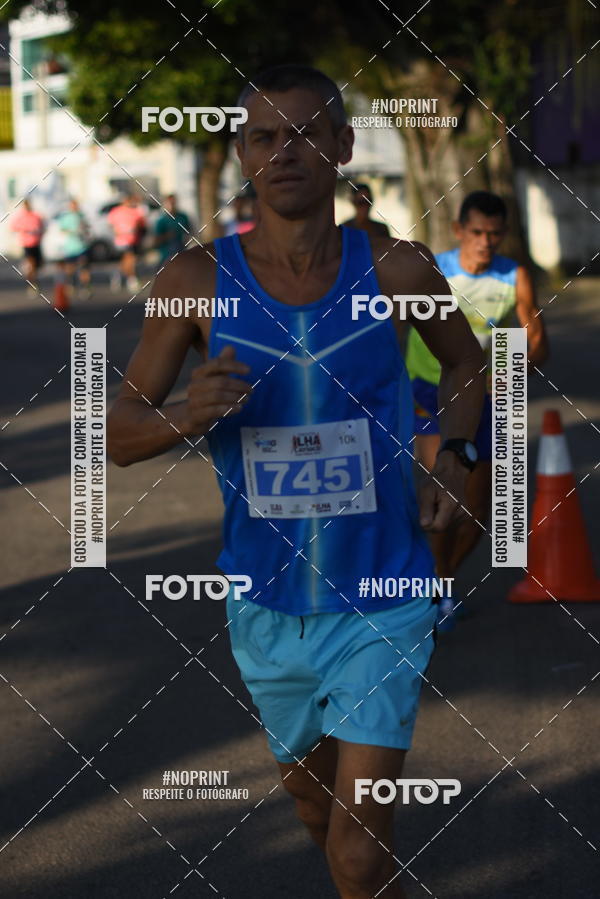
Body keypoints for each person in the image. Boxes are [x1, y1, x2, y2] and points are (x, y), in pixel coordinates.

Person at [107, 65, 485, 899]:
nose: (286, 151)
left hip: (384, 588)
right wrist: (184, 414)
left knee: (357, 846)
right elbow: (119, 433)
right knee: (316, 810)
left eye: (307, 133)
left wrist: (457, 456)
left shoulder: (397, 270)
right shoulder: (194, 284)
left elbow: (467, 362)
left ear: (343, 146)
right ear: (243, 156)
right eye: (265, 137)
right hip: (266, 603)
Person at [405, 190, 549, 631]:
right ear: (458, 231)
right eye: (476, 233)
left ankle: (441, 585)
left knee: (478, 513)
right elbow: (393, 327)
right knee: (437, 496)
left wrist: (507, 368)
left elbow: (537, 342)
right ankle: (431, 593)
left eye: (495, 234)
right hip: (428, 392)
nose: (485, 242)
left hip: (485, 398)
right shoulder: (432, 272)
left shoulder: (513, 275)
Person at [107, 193, 147, 292]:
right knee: (130, 259)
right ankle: (132, 280)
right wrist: (116, 231)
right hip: (121, 241)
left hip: (133, 240)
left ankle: (117, 275)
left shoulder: (136, 211)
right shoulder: (116, 211)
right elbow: (111, 224)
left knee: (127, 261)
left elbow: (143, 225)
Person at [56, 198, 92, 299]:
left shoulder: (82, 216)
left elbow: (88, 229)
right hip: (71, 248)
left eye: (75, 205)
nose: (74, 207)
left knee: (84, 267)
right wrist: (72, 232)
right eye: (72, 205)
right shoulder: (66, 217)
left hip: (83, 247)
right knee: (70, 269)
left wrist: (84, 231)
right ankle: (71, 284)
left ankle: (85, 287)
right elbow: (62, 229)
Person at [11, 198, 45, 293]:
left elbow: (41, 227)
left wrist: (38, 233)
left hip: (36, 243)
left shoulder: (36, 216)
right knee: (31, 263)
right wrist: (24, 229)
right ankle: (32, 284)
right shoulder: (21, 217)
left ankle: (33, 281)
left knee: (37, 265)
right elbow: (13, 227)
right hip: (26, 244)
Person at [154, 193, 191, 268]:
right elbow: (156, 241)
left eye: (173, 203)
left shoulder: (183, 217)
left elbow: (189, 232)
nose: (172, 205)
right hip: (166, 255)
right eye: (169, 203)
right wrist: (168, 236)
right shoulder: (161, 221)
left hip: (181, 252)